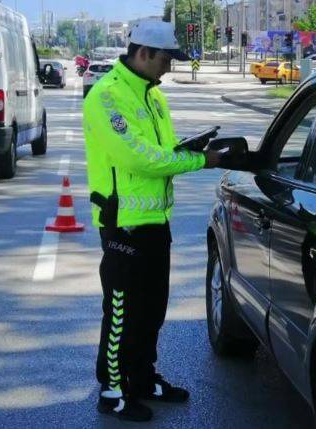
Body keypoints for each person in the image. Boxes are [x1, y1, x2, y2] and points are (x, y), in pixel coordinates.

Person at [82, 18, 223, 422]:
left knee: (152, 310)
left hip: (155, 221)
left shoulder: (153, 96)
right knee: (122, 311)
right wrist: (199, 159)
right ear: (143, 53)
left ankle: (141, 378)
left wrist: (187, 149)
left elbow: (161, 151)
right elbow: (138, 157)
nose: (169, 66)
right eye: (166, 58)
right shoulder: (106, 97)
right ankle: (111, 389)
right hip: (123, 223)